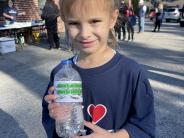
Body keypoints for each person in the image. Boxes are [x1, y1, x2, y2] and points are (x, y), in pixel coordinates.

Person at [42, 0, 155, 138]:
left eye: (94, 21)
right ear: (65, 21)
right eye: (74, 23)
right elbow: (51, 123)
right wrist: (54, 116)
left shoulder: (131, 73)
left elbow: (144, 126)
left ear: (112, 19)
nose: (84, 33)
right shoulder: (61, 74)